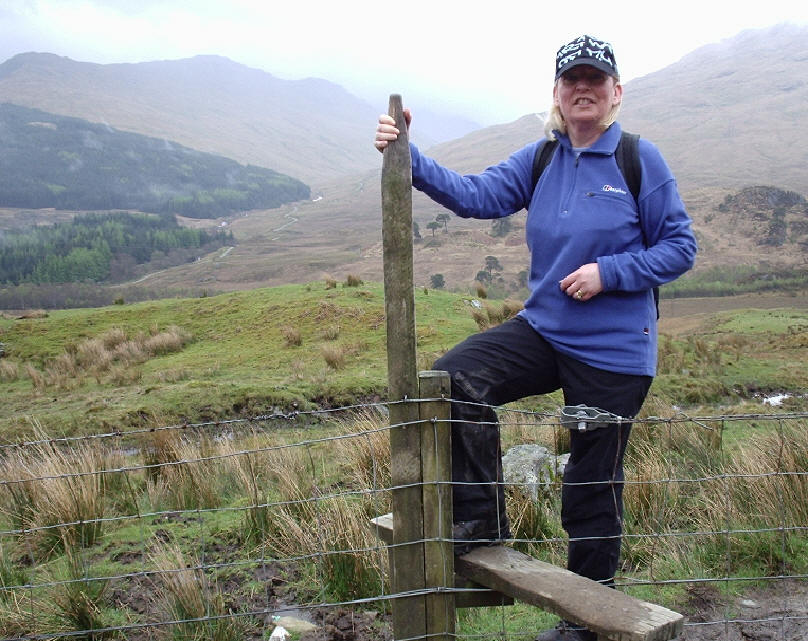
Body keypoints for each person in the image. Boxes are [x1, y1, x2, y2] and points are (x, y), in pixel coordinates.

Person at [375, 34, 697, 641]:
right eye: (572, 80)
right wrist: (407, 156)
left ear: (615, 93)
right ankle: (478, 524)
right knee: (451, 383)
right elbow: (476, 195)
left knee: (588, 485)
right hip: (545, 330)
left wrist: (610, 273)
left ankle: (589, 623)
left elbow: (680, 248)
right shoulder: (542, 159)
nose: (584, 89)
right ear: (556, 93)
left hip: (615, 354)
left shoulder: (638, 159)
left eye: (596, 81)